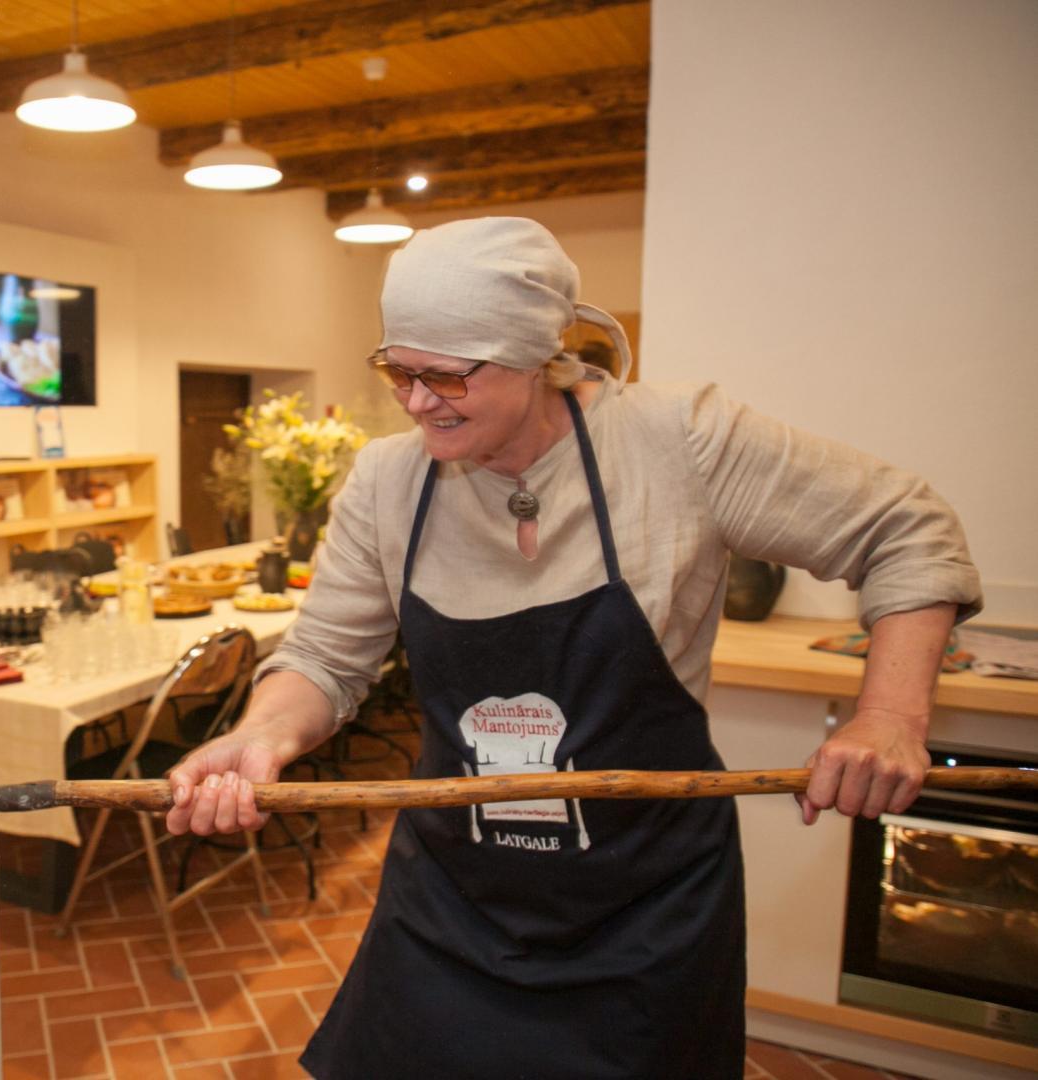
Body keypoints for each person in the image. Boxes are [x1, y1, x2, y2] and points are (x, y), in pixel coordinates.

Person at [163, 217, 980, 1079]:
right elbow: (327, 659)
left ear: (533, 356)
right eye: (398, 370)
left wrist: (890, 715)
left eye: (446, 375)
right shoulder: (387, 482)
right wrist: (261, 736)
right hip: (453, 901)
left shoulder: (678, 441)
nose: (415, 401)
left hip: (648, 906)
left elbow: (905, 529)